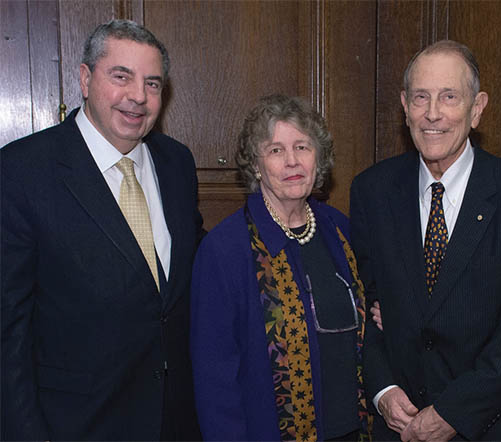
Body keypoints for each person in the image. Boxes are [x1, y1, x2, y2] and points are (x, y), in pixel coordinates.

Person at [1, 19, 203, 441]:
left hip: (176, 422)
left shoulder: (177, 163)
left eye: (152, 83)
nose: (138, 97)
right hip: (76, 425)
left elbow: (197, 278)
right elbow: (8, 335)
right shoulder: (21, 172)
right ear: (85, 78)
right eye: (121, 77)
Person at [350, 40, 501, 441]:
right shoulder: (372, 190)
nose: (433, 113)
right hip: (400, 427)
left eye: (449, 97)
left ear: (476, 109)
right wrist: (383, 390)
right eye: (421, 97)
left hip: (496, 427)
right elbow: (365, 304)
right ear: (405, 105)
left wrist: (453, 412)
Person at [191, 94, 370, 441]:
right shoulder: (225, 250)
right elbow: (214, 381)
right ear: (256, 165)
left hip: (354, 430)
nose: (292, 161)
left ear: (319, 159)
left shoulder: (340, 230)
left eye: (302, 147)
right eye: (275, 150)